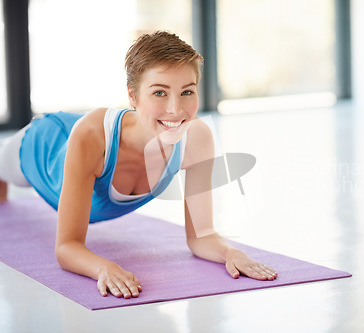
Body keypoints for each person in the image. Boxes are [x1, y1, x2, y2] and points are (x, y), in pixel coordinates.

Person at [0, 31, 277, 299]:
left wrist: (230, 253)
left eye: (187, 92)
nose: (176, 109)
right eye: (159, 93)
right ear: (133, 96)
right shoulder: (92, 138)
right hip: (43, 149)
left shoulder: (196, 138)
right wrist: (103, 268)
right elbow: (67, 246)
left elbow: (201, 236)